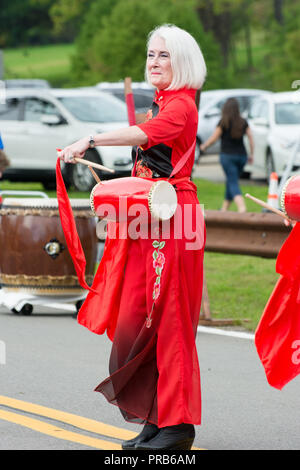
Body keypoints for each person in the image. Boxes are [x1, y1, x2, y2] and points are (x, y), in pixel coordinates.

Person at [58, 24, 206, 451]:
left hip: (176, 221)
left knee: (172, 323)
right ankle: (155, 418)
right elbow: (147, 158)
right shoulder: (159, 105)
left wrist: (89, 139)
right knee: (142, 318)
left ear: (182, 62)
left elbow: (145, 137)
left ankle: (179, 425)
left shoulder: (180, 107)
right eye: (150, 55)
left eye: (164, 55)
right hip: (149, 217)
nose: (154, 62)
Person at [200, 97, 254, 213]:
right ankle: (224, 209)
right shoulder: (243, 121)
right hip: (242, 157)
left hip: (227, 156)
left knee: (232, 181)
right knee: (231, 180)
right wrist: (252, 154)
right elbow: (250, 138)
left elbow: (214, 138)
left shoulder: (223, 121)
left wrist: (204, 146)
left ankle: (242, 207)